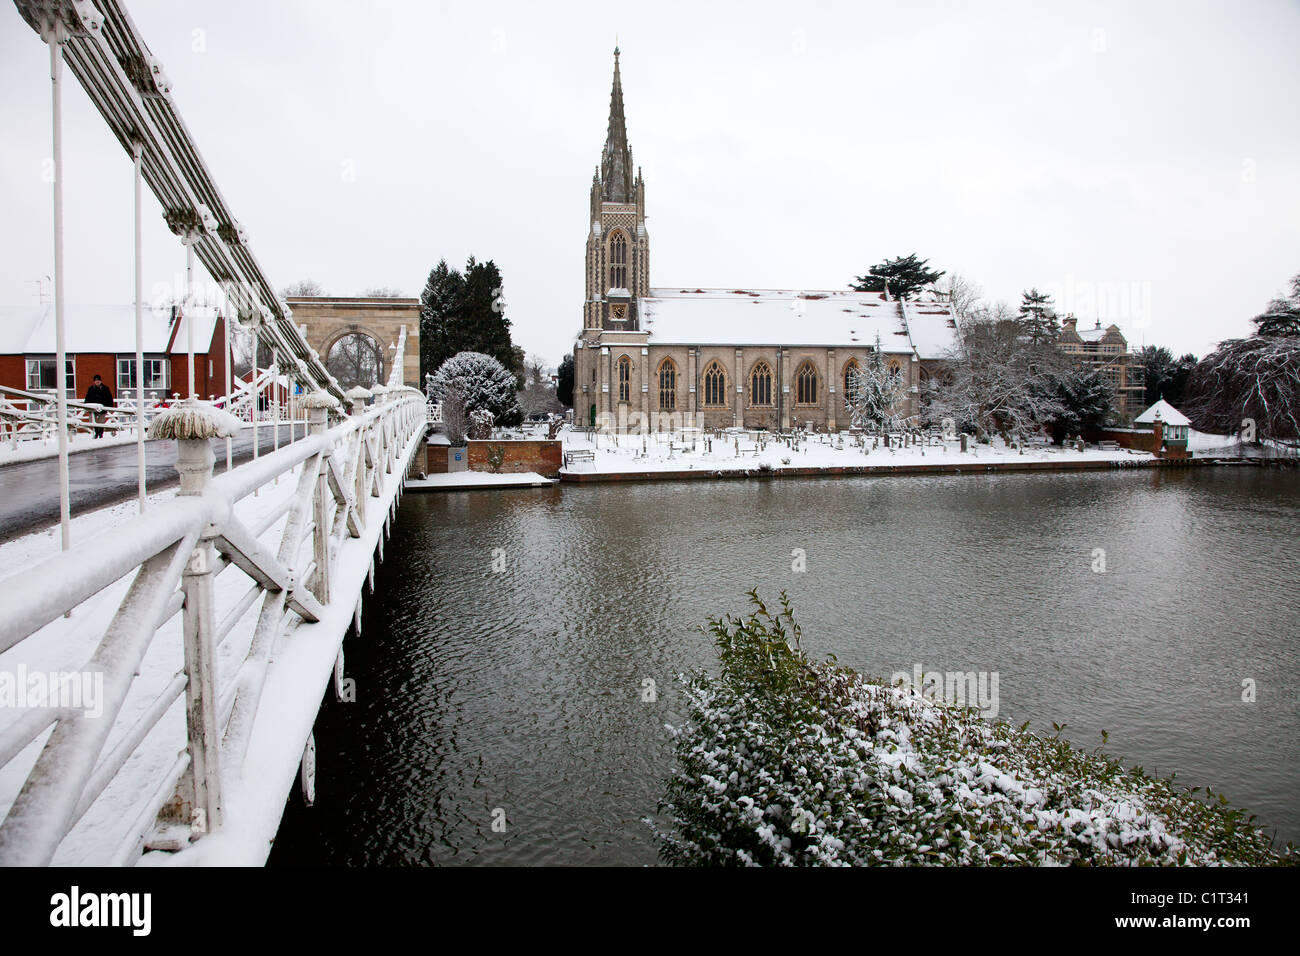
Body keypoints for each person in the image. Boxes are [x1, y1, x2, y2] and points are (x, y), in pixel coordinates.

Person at [83, 374, 114, 438]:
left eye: (98, 380)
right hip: (93, 408)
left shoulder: (105, 388)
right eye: (96, 380)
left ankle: (100, 433)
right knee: (93, 421)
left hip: (103, 407)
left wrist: (110, 407)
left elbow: (109, 398)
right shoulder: (91, 389)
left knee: (101, 422)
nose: (97, 382)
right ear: (94, 381)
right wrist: (86, 406)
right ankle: (96, 432)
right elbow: (87, 398)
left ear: (101, 381)